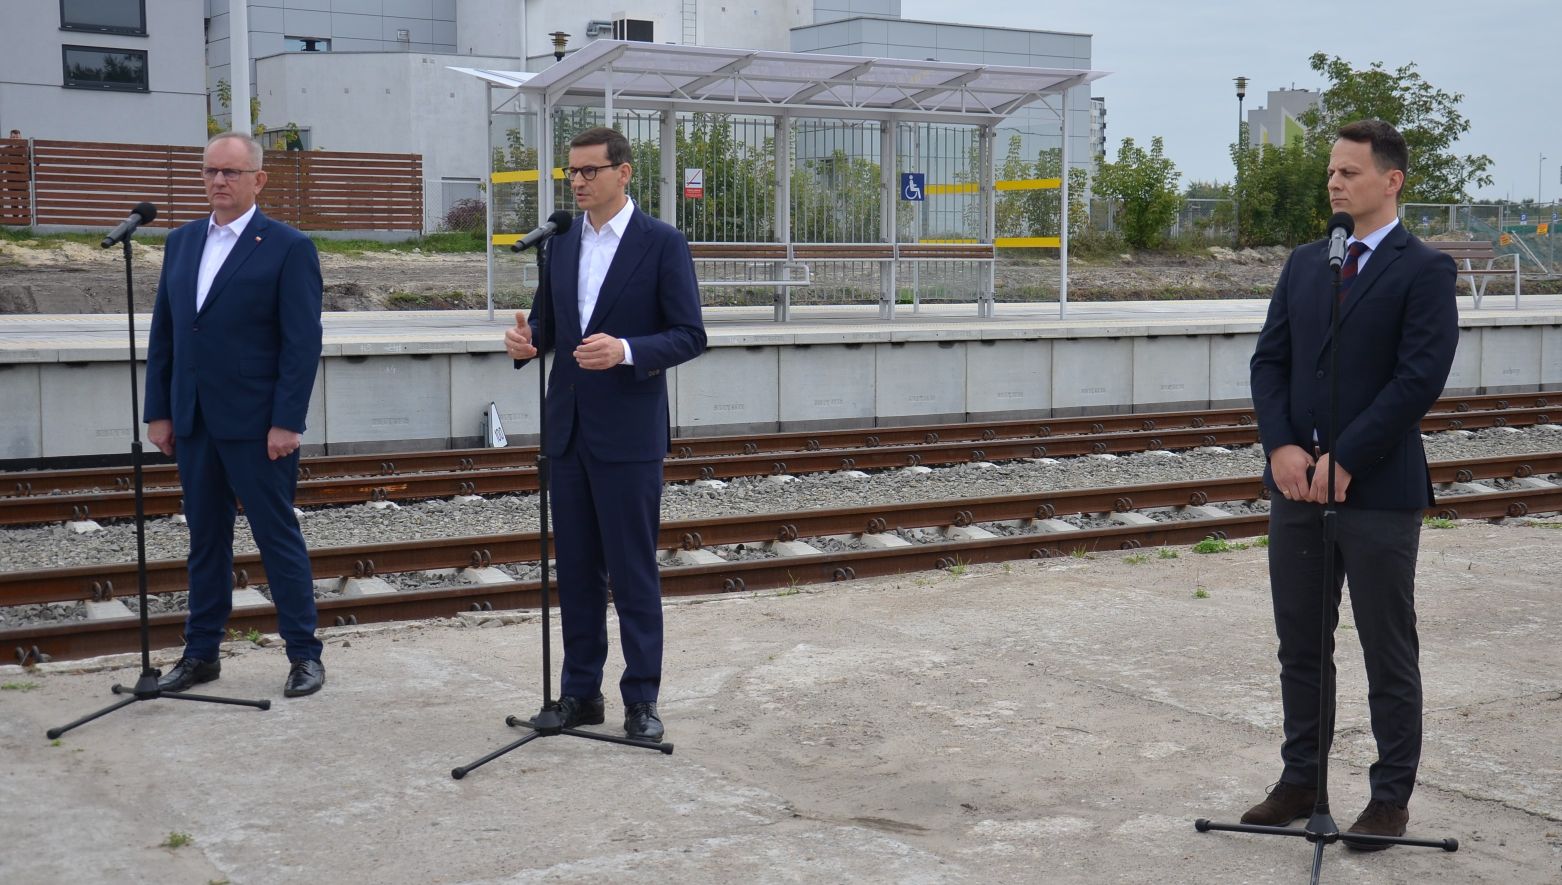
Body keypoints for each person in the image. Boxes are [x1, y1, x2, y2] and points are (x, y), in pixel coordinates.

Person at [1243, 119, 1458, 845]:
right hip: (1298, 490)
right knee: (1302, 643)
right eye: (1332, 172)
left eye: (1350, 173)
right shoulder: (1306, 262)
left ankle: (1389, 797)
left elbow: (1417, 378)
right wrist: (1280, 446)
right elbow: (1269, 361)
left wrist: (1347, 456)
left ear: (1391, 181)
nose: (1335, 183)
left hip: (1377, 492)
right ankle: (1301, 778)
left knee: (1386, 647)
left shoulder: (1424, 269)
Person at [504, 126, 706, 741]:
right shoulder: (561, 242)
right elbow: (549, 323)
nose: (579, 182)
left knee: (632, 571)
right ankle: (578, 694)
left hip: (628, 434)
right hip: (566, 431)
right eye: (572, 173)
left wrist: (624, 350)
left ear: (624, 173)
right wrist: (526, 341)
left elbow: (690, 334)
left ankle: (641, 700)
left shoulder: (661, 243)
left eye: (590, 171)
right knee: (578, 571)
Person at [144, 131, 326, 698]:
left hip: (257, 423)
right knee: (205, 541)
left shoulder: (288, 246)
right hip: (194, 419)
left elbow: (302, 343)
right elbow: (166, 334)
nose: (218, 181)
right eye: (209, 172)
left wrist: (287, 421)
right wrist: (160, 411)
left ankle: (304, 655)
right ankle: (201, 654)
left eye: (230, 172)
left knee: (276, 537)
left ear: (258, 180)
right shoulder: (180, 242)